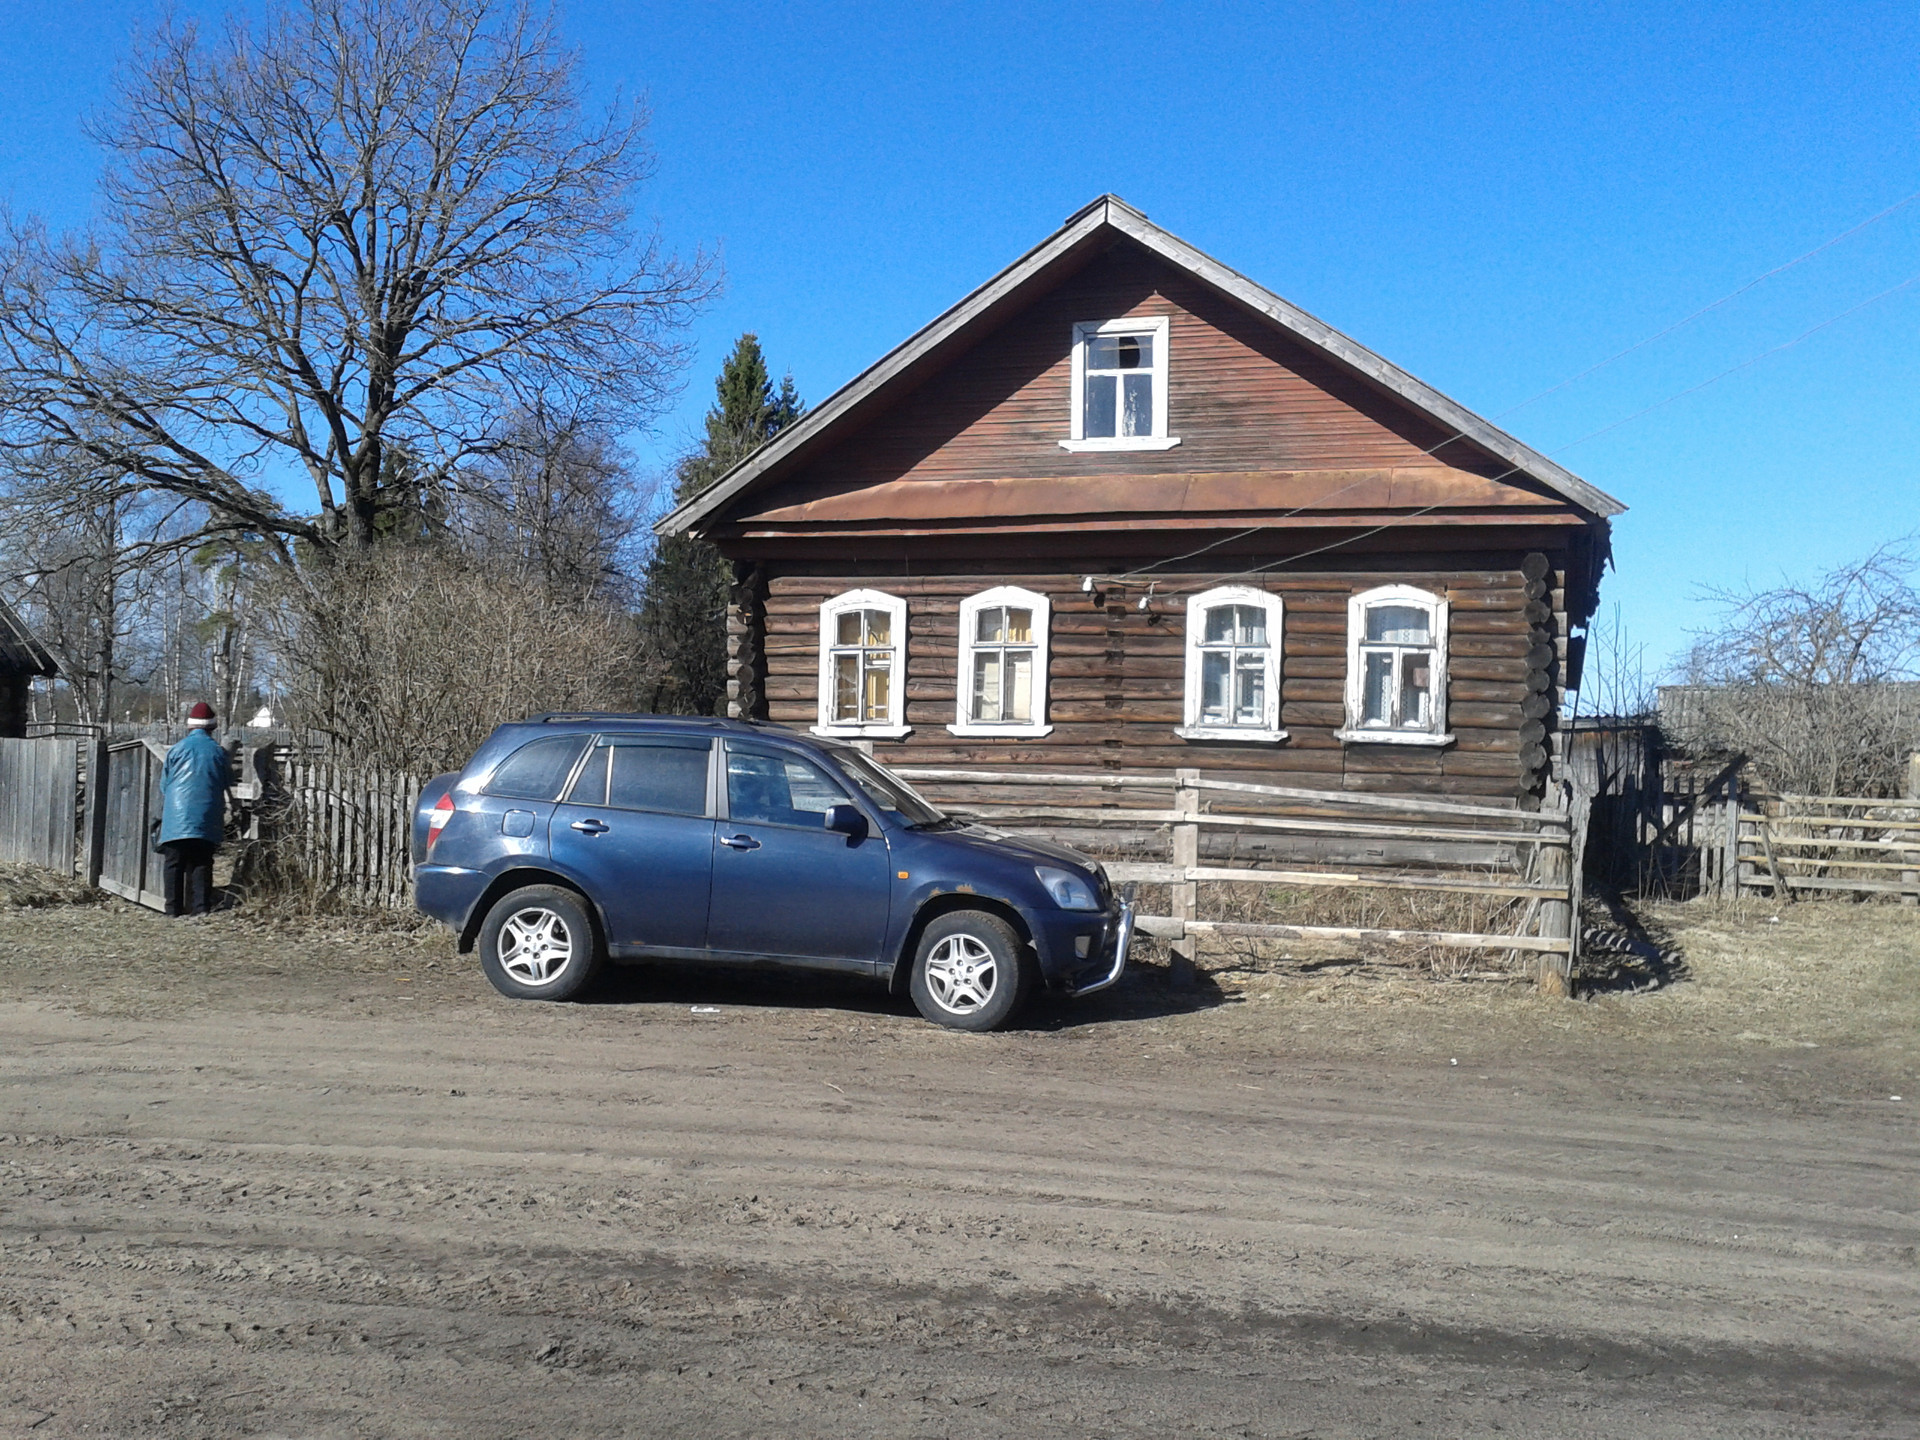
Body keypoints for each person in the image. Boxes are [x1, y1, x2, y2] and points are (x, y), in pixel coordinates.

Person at [157, 701, 232, 917]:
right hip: (206, 814)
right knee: (202, 862)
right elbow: (226, 781)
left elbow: (165, 785)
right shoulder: (218, 753)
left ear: (189, 727)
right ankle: (201, 908)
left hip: (176, 816)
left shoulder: (176, 750)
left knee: (173, 863)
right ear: (212, 727)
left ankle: (172, 909)